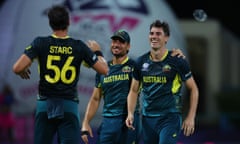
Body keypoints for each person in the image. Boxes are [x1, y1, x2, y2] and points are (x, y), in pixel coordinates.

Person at [12, 5, 108, 144]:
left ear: (50, 23)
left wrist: (22, 71)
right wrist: (98, 52)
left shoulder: (40, 43)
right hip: (68, 105)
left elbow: (16, 68)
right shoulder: (79, 46)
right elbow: (104, 70)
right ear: (68, 22)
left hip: (45, 104)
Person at [81, 29, 186, 144]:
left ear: (128, 46)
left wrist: (175, 55)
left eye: (121, 42)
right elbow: (96, 98)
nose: (116, 44)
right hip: (108, 123)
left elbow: (158, 59)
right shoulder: (104, 69)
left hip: (129, 122)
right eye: (114, 41)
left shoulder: (135, 65)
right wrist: (86, 122)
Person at [125, 20, 199, 144]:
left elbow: (194, 89)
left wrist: (191, 117)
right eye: (152, 33)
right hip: (148, 119)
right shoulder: (140, 62)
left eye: (158, 34)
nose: (154, 37)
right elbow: (133, 90)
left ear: (166, 38)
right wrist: (130, 113)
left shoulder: (177, 61)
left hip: (169, 118)